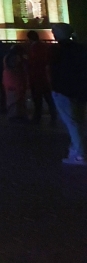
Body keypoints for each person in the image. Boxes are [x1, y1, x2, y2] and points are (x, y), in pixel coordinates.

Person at [49, 23, 87, 167]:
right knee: (79, 121)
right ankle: (75, 150)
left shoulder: (57, 50)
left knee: (71, 122)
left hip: (63, 90)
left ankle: (79, 154)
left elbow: (55, 70)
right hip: (80, 90)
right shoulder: (80, 48)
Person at [25, 30, 56, 124]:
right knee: (48, 98)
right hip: (44, 77)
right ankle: (53, 116)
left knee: (37, 99)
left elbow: (33, 62)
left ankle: (37, 117)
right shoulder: (44, 46)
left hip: (36, 77)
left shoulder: (34, 48)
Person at [3, 45, 29, 122]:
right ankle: (16, 116)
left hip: (10, 81)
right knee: (16, 99)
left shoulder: (7, 57)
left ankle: (15, 115)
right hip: (16, 81)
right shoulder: (16, 58)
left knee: (13, 99)